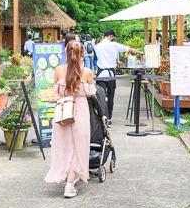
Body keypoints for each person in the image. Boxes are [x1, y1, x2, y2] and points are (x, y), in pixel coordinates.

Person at [44, 40, 96, 198]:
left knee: (64, 147)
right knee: (78, 147)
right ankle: (70, 184)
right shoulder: (87, 72)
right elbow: (90, 93)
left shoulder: (58, 70)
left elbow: (55, 91)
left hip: (62, 111)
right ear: (82, 54)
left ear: (66, 52)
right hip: (79, 111)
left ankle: (64, 175)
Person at [93, 28, 142, 124]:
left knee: (102, 96)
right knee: (110, 96)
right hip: (111, 74)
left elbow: (102, 58)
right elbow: (129, 49)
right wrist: (140, 52)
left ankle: (103, 117)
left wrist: (115, 62)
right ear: (111, 36)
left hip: (101, 74)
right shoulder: (114, 45)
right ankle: (109, 118)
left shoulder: (97, 46)